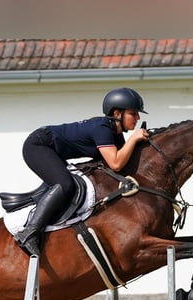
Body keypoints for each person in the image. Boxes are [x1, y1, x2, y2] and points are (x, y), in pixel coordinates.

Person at [15, 87, 150, 256]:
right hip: (37, 146)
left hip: (52, 150)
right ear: (117, 113)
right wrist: (135, 138)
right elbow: (115, 163)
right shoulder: (103, 129)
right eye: (133, 113)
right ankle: (29, 233)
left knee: (68, 185)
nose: (137, 118)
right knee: (65, 184)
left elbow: (122, 163)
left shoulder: (114, 133)